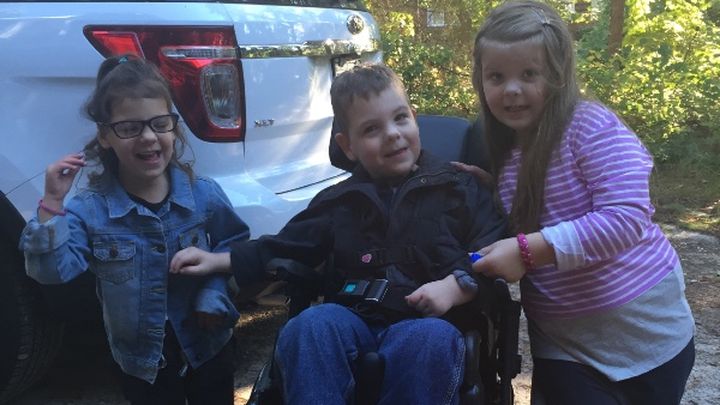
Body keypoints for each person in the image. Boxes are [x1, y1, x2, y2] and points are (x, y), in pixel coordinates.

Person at [170, 63, 507, 404]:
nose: (392, 133)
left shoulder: (460, 188)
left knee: (429, 340)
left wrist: (456, 286)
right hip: (354, 318)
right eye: (372, 129)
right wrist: (218, 260)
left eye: (400, 118)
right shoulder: (337, 201)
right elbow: (285, 245)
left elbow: (491, 251)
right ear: (348, 146)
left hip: (430, 321)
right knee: (309, 326)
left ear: (414, 119)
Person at [464, 1, 696, 404]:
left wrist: (528, 251)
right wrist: (486, 193)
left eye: (529, 74)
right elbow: (534, 215)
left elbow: (626, 218)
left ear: (557, 75)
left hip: (648, 336)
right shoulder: (502, 151)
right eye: (496, 76)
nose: (511, 89)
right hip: (565, 347)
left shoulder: (590, 126)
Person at [19, 55, 249, 405]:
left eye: (160, 123)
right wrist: (51, 203)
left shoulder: (203, 194)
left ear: (173, 127)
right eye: (129, 128)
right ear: (105, 136)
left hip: (209, 347)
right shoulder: (89, 210)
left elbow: (235, 246)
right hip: (141, 365)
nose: (148, 137)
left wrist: (213, 292)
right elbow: (52, 272)